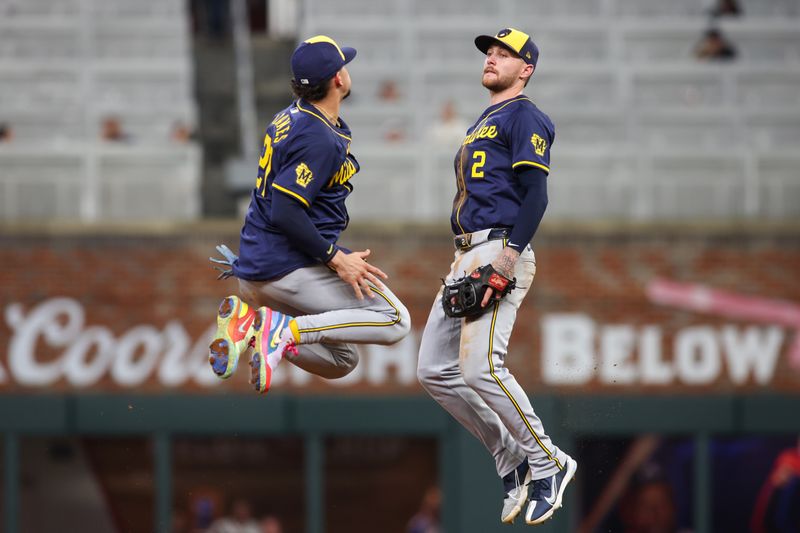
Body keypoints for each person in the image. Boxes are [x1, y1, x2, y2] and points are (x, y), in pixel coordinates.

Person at [416, 27, 577, 526]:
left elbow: (537, 196)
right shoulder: (486, 118)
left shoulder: (525, 114)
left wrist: (508, 257)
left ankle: (549, 459)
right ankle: (512, 462)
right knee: (433, 370)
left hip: (498, 247)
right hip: (466, 252)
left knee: (482, 367)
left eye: (505, 53)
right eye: (490, 50)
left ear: (525, 68)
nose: (492, 57)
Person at [208, 35, 411, 394]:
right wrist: (336, 258)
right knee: (395, 321)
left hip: (259, 267)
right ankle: (281, 329)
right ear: (337, 79)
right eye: (343, 65)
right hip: (286, 265)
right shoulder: (317, 136)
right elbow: (286, 210)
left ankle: (256, 324)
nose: (347, 70)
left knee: (342, 362)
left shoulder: (293, 117)